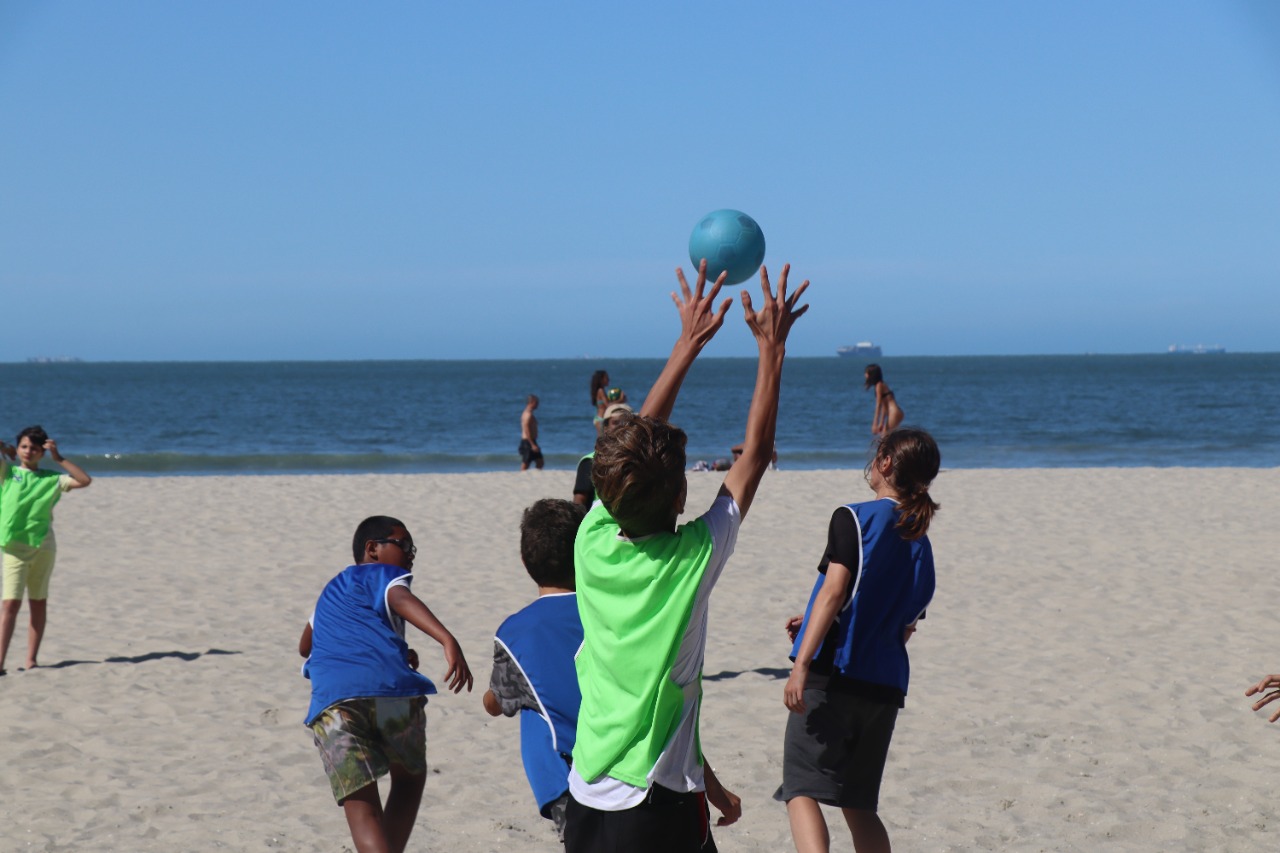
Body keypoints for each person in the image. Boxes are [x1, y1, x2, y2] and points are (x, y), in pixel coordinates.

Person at [564, 259, 809, 853]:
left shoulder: (591, 538)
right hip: (653, 802)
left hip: (585, 796)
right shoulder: (693, 558)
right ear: (680, 497)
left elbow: (632, 446)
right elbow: (756, 454)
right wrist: (771, 349)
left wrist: (687, 342)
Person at [776, 427, 941, 853]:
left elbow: (834, 592)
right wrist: (812, 618)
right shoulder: (920, 542)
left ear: (885, 462)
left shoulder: (854, 517)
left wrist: (801, 664)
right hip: (884, 687)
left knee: (800, 788)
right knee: (859, 803)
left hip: (835, 676)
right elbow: (900, 624)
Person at [299, 515, 473, 853]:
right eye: (404, 544)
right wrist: (446, 639)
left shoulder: (331, 591)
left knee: (362, 807)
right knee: (408, 778)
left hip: (334, 703)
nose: (411, 554)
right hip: (392, 695)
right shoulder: (383, 575)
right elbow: (400, 600)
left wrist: (388, 645)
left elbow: (305, 645)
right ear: (372, 550)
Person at [483, 498, 588, 840]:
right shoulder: (611, 611)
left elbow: (497, 703)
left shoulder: (516, 632)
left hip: (571, 776)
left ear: (525, 561)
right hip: (633, 759)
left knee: (531, 709)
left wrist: (491, 697)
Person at [0, 426, 92, 675]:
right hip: (14, 548)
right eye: (24, 446)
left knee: (38, 602)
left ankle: (31, 660)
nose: (29, 451)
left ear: (42, 452)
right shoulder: (7, 472)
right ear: (18, 449)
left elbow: (84, 480)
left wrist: (59, 459)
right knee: (10, 605)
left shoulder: (51, 478)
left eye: (34, 448)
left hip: (44, 546)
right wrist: (3, 447)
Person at [572, 402, 631, 507]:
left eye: (626, 422)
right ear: (606, 427)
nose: (621, 427)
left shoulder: (638, 459)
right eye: (615, 422)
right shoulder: (590, 461)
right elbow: (579, 503)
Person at [864, 364, 904, 436]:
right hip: (896, 411)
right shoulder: (882, 384)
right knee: (888, 437)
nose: (865, 375)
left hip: (893, 412)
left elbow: (878, 405)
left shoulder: (879, 386)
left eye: (866, 373)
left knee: (884, 438)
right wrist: (881, 422)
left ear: (871, 374)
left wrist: (875, 423)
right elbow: (884, 406)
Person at [590, 370, 627, 436]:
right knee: (601, 440)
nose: (608, 379)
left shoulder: (601, 390)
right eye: (606, 378)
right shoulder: (600, 390)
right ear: (601, 380)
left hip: (599, 418)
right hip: (600, 419)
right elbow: (608, 405)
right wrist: (620, 400)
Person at [520, 394, 544, 471]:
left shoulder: (528, 413)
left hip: (531, 441)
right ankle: (521, 476)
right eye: (536, 403)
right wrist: (532, 444)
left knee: (540, 462)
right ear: (532, 402)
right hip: (528, 441)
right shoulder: (528, 414)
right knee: (526, 463)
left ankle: (533, 475)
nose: (538, 405)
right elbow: (526, 429)